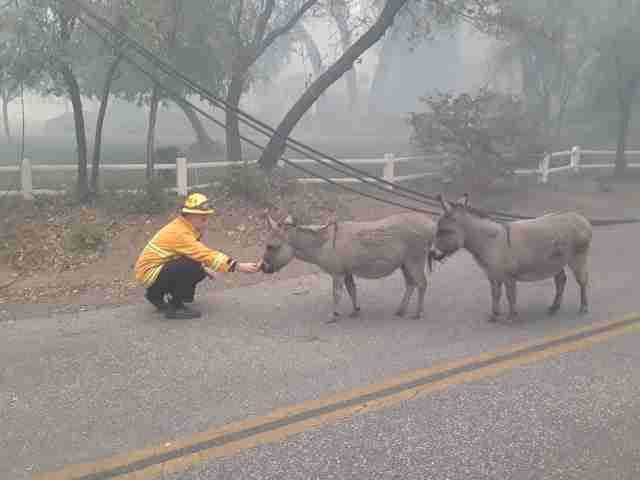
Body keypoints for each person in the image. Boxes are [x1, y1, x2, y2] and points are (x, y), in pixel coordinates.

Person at [134, 193, 261, 319]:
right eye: (203, 217)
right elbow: (205, 254)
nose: (206, 220)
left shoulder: (184, 227)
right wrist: (238, 266)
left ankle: (155, 295)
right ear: (190, 215)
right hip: (150, 272)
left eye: (206, 217)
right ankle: (175, 307)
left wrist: (204, 268)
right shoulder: (180, 233)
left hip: (150, 271)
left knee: (198, 267)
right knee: (192, 266)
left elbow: (192, 254)